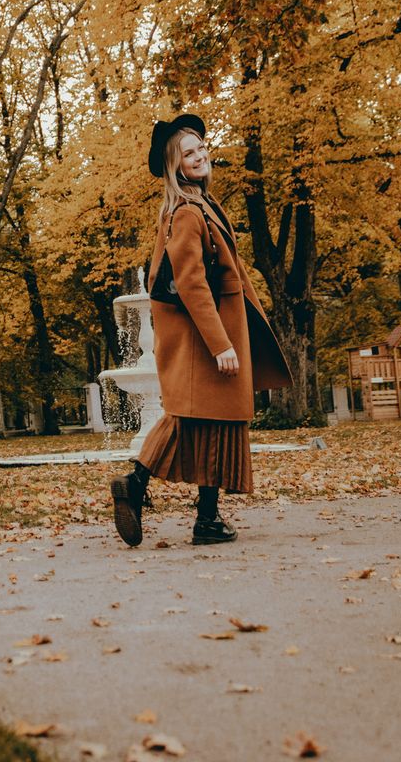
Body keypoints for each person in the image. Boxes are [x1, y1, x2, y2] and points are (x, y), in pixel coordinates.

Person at [111, 113, 291, 547]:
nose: (200, 156)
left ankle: (206, 518)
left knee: (216, 423)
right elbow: (189, 282)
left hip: (216, 333)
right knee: (190, 421)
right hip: (205, 338)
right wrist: (220, 344)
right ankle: (136, 485)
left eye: (201, 148)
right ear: (176, 165)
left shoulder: (201, 206)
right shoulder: (188, 213)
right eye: (189, 153)